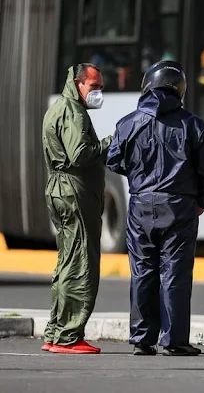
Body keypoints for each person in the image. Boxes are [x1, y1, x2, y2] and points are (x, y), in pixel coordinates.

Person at [106, 61, 204, 356]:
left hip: (141, 205)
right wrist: (202, 201)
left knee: (142, 271)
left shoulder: (128, 123)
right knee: (175, 273)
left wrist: (141, 178)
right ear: (180, 90)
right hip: (179, 206)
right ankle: (173, 340)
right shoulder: (194, 125)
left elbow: (114, 160)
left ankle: (142, 339)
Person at [41, 63, 112, 354]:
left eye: (100, 87)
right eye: (94, 87)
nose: (98, 93)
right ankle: (69, 336)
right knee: (81, 263)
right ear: (78, 84)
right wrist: (111, 142)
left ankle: (56, 332)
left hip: (61, 190)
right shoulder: (73, 112)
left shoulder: (59, 108)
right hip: (74, 192)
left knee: (67, 261)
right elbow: (80, 155)